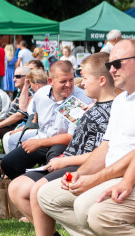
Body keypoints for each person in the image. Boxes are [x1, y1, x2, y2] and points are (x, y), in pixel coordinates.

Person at [9, 52, 115, 236]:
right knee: (16, 188)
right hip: (69, 161)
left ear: (102, 81)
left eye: (85, 78)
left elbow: (102, 153)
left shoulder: (110, 110)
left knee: (37, 191)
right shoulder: (94, 105)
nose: (80, 83)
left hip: (79, 167)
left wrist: (63, 162)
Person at [38, 40, 135, 236]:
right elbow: (105, 148)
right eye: (109, 65)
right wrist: (81, 174)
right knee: (45, 195)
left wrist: (95, 178)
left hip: (124, 176)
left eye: (117, 64)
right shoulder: (120, 101)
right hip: (111, 173)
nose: (112, 70)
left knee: (86, 209)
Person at [0, 61, 93, 180]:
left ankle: (42, 189)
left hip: (65, 144)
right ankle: (28, 187)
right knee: (8, 163)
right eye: (63, 81)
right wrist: (25, 87)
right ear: (50, 82)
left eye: (71, 80)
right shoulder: (41, 94)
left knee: (54, 162)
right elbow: (27, 111)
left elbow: (70, 137)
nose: (68, 85)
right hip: (42, 140)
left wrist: (38, 142)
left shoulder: (81, 98)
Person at [0, 66, 32, 140]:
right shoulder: (21, 91)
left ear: (27, 78)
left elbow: (19, 115)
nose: (14, 79)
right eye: (14, 76)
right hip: (9, 124)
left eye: (17, 76)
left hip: (17, 127)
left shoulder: (29, 92)